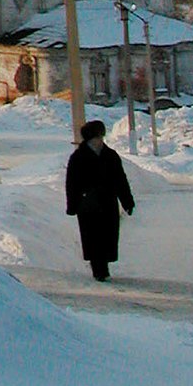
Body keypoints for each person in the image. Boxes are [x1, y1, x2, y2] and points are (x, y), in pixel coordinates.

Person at [65, 119, 135, 281]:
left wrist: (127, 201)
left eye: (101, 137)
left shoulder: (110, 155)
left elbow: (120, 180)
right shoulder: (78, 157)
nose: (100, 140)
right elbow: (71, 183)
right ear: (90, 138)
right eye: (97, 137)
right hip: (87, 205)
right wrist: (72, 205)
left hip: (108, 202)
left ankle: (103, 265)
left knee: (108, 236)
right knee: (92, 236)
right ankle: (99, 269)